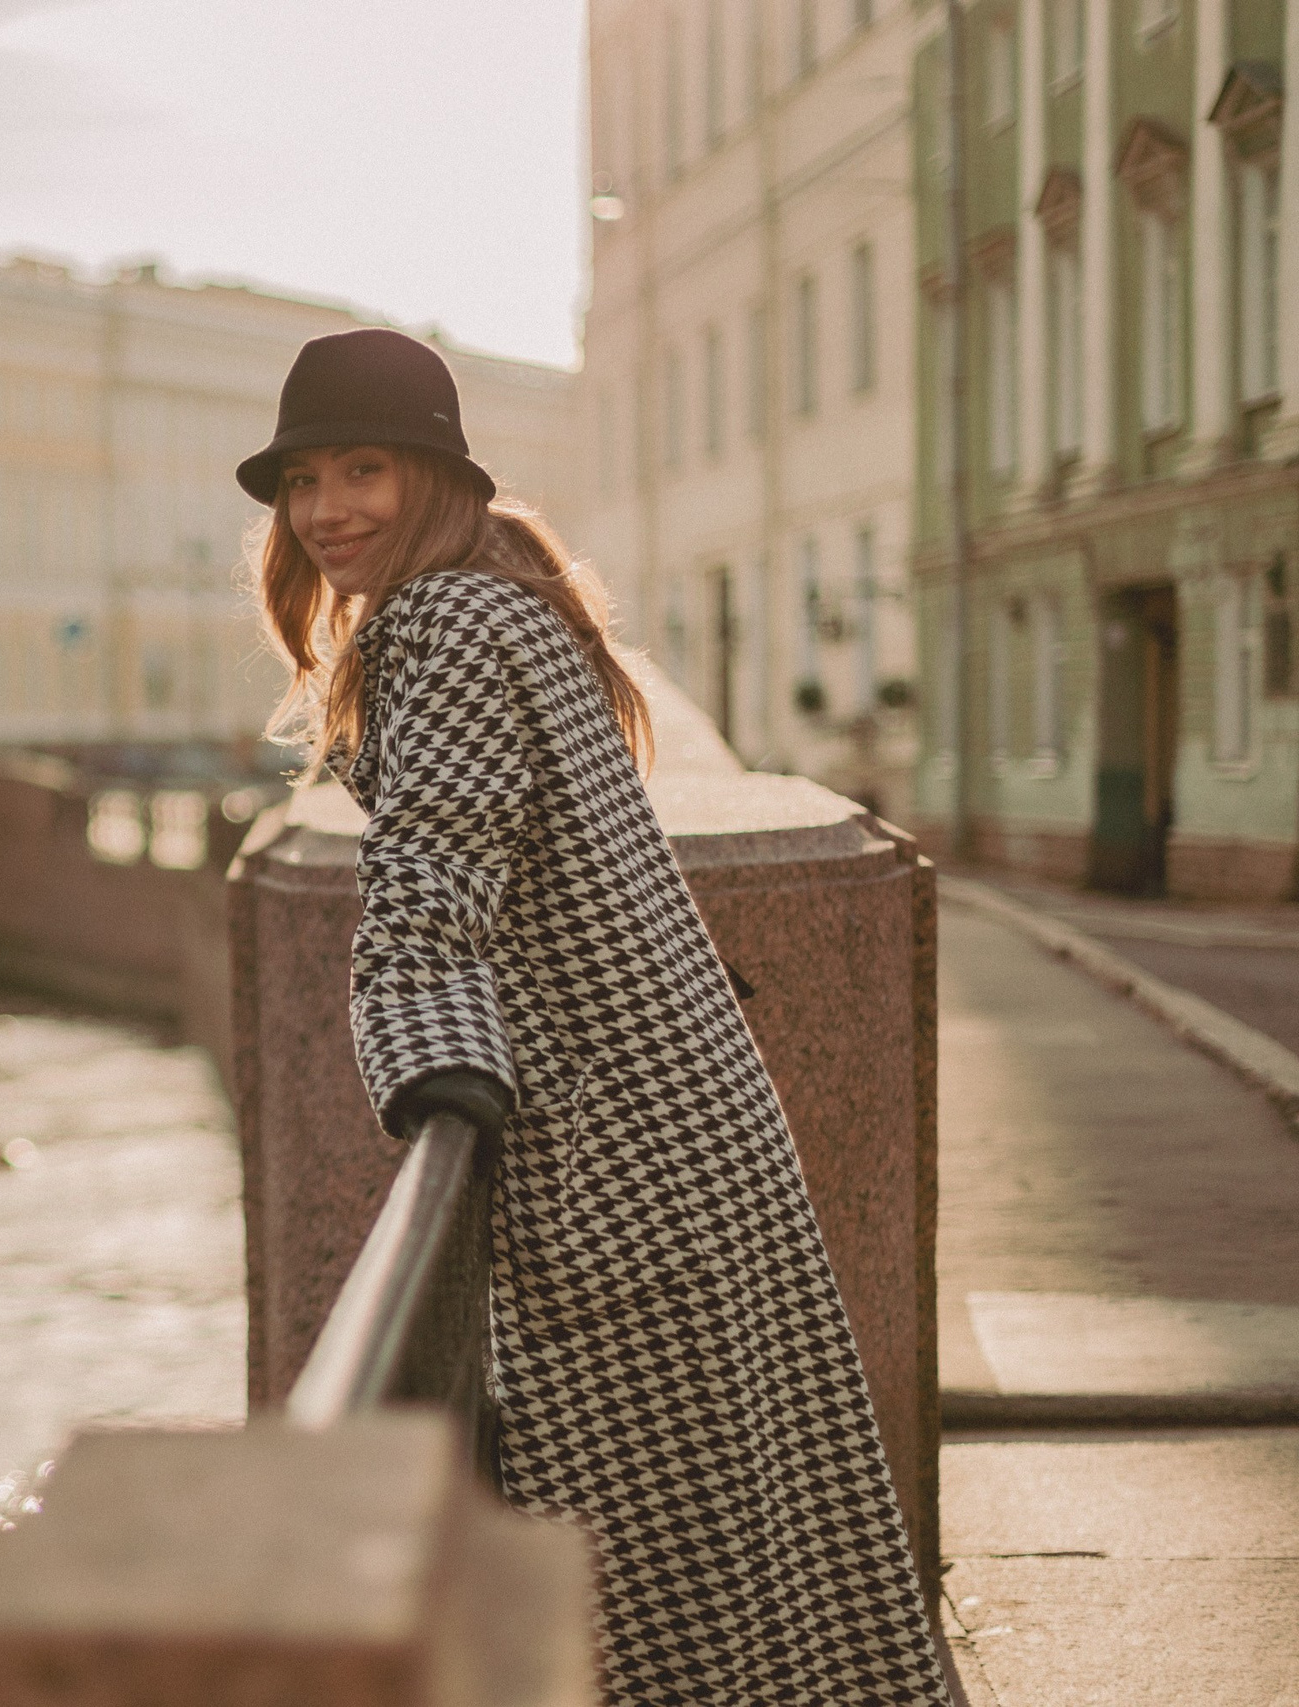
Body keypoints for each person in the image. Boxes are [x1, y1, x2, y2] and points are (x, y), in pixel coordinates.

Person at [235, 328, 951, 1706]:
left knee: (656, 1588)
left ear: (435, 475)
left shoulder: (442, 624)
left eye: (362, 470)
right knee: (770, 1555)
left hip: (611, 1159)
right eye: (304, 481)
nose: (326, 510)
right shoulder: (511, 597)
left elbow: (431, 883)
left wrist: (428, 1066)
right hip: (697, 1128)